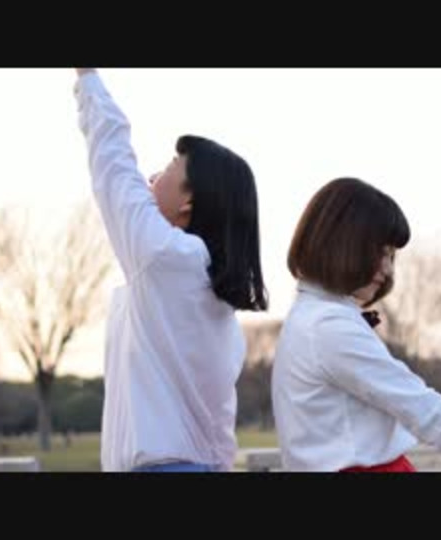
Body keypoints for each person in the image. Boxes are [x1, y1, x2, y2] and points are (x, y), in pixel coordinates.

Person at [271, 177, 441, 472]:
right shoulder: (327, 326)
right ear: (341, 243)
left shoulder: (310, 316)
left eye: (392, 256)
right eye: (380, 252)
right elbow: (429, 413)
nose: (388, 269)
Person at [74, 68, 268, 472]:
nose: (151, 176)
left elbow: (114, 166)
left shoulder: (169, 257)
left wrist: (88, 77)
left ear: (188, 203)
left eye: (169, 166)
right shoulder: (207, 290)